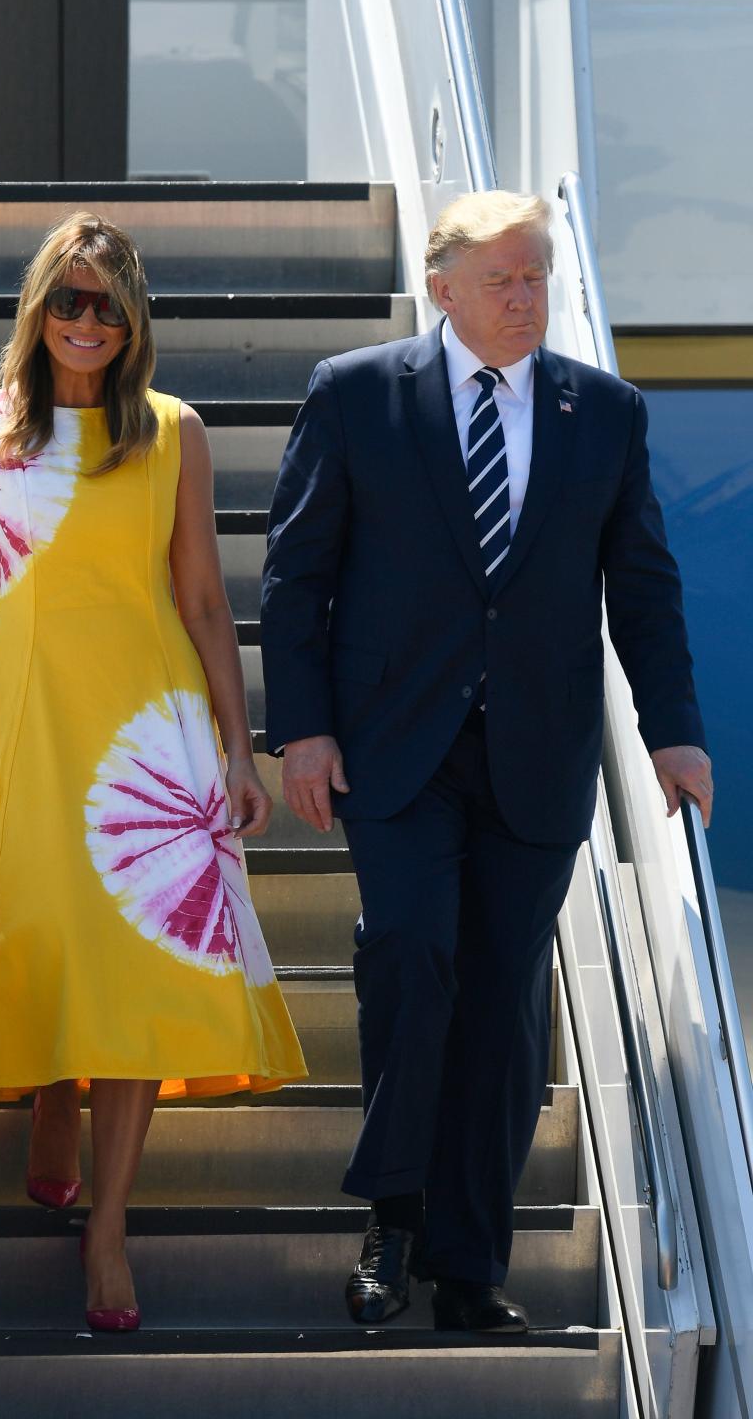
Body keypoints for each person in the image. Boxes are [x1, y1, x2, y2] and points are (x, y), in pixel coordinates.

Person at [260, 190, 712, 1332]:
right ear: (444, 283)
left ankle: (469, 1266)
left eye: (538, 278)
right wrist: (300, 729)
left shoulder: (601, 411)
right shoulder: (358, 394)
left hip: (533, 754)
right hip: (393, 751)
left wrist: (675, 730)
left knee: (505, 1002)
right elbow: (296, 575)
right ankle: (392, 1215)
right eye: (503, 279)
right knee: (410, 955)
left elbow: (644, 588)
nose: (525, 299)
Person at [0, 211, 306, 1332]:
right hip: (28, 716)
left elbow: (206, 599)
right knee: (51, 935)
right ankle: (52, 1092)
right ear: (38, 308)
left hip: (151, 731)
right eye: (69, 299)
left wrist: (237, 746)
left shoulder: (172, 432)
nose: (87, 322)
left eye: (108, 303)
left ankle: (109, 1231)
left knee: (139, 970)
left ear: (134, 316)